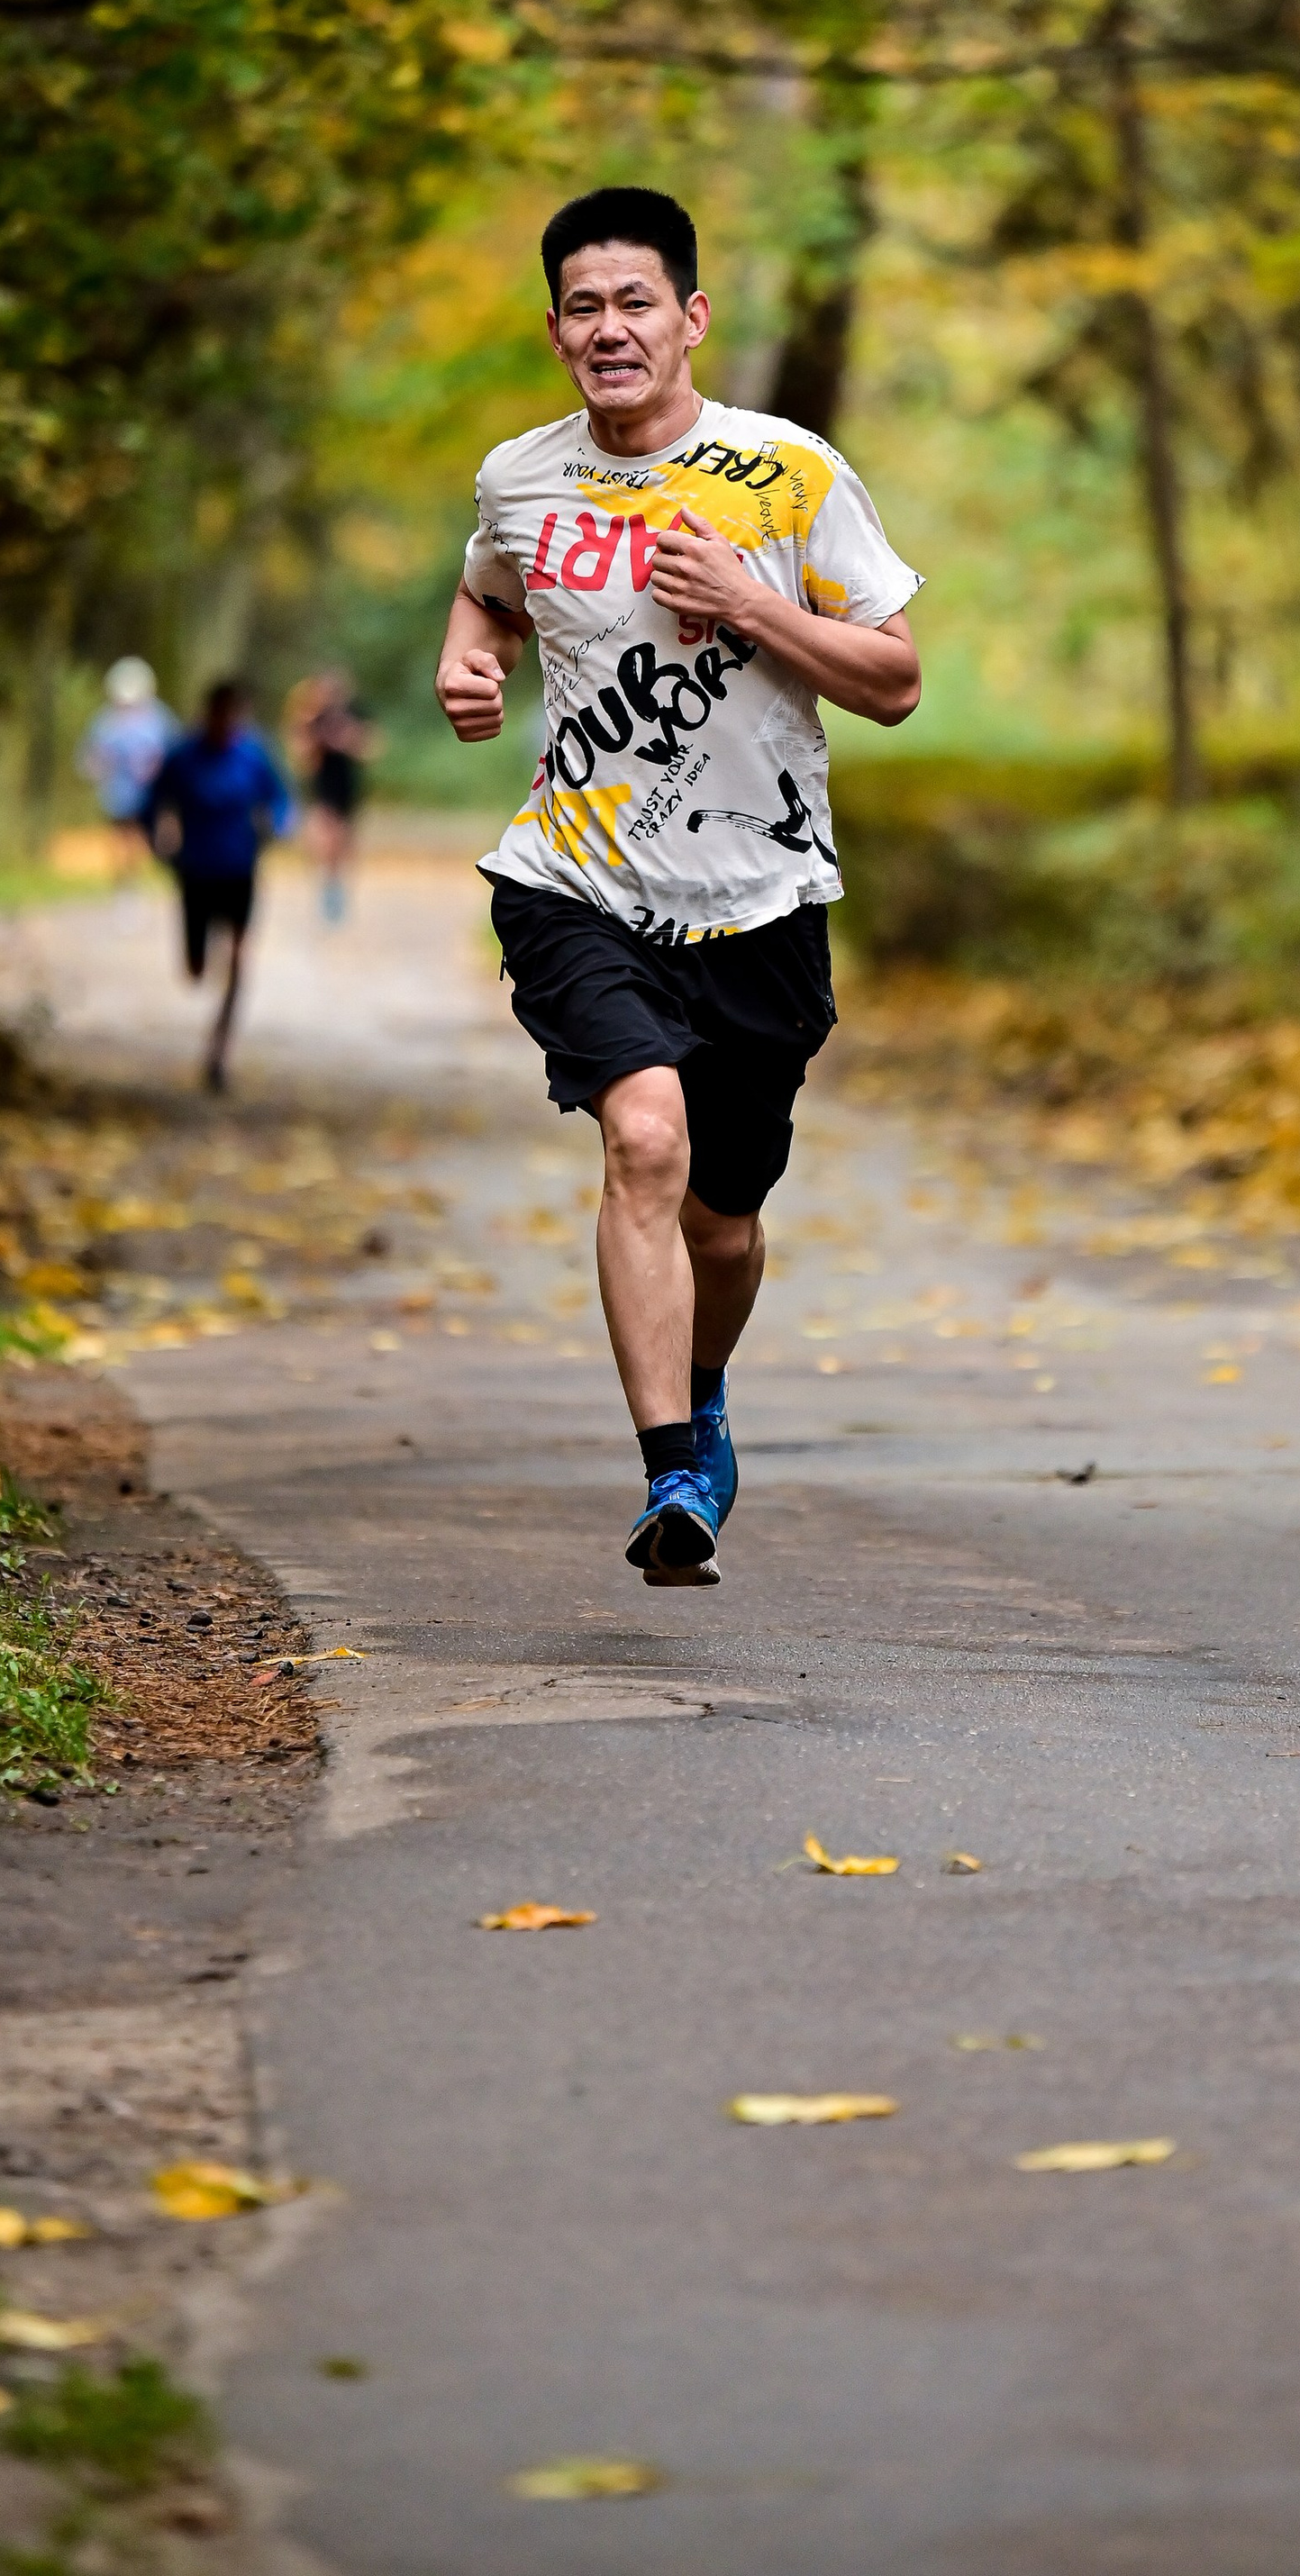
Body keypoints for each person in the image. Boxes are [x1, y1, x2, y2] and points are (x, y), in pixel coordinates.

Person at [434, 184, 923, 1586]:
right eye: (583, 308)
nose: (610, 329)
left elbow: (894, 682)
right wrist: (469, 661)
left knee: (724, 1218)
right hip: (573, 881)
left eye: (635, 302)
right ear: (555, 332)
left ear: (692, 318)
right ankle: (669, 1477)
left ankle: (704, 1396)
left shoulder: (789, 475)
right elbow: (490, 595)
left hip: (761, 901)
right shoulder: (519, 478)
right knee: (644, 1141)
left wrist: (754, 605)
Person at [140, 679, 294, 1092]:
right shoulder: (183, 755)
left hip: (240, 870)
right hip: (195, 872)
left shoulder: (253, 754)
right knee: (195, 970)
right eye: (219, 714)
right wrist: (159, 845)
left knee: (239, 960)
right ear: (207, 714)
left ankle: (218, 1051)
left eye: (233, 715)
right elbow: (151, 802)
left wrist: (278, 828)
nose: (226, 723)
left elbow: (281, 799)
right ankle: (205, 955)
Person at [76, 658, 178, 884]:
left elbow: (175, 753)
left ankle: (140, 870)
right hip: (116, 792)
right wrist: (99, 766)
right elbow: (90, 755)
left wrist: (159, 769)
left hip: (150, 792)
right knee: (120, 831)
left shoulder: (159, 719)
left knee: (144, 831)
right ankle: (123, 876)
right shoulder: (105, 721)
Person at [287, 668, 377, 922]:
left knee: (344, 844)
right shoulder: (314, 718)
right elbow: (302, 757)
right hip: (323, 789)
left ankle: (337, 888)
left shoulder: (355, 713)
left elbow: (371, 748)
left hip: (348, 788)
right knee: (326, 840)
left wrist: (348, 740)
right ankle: (328, 888)